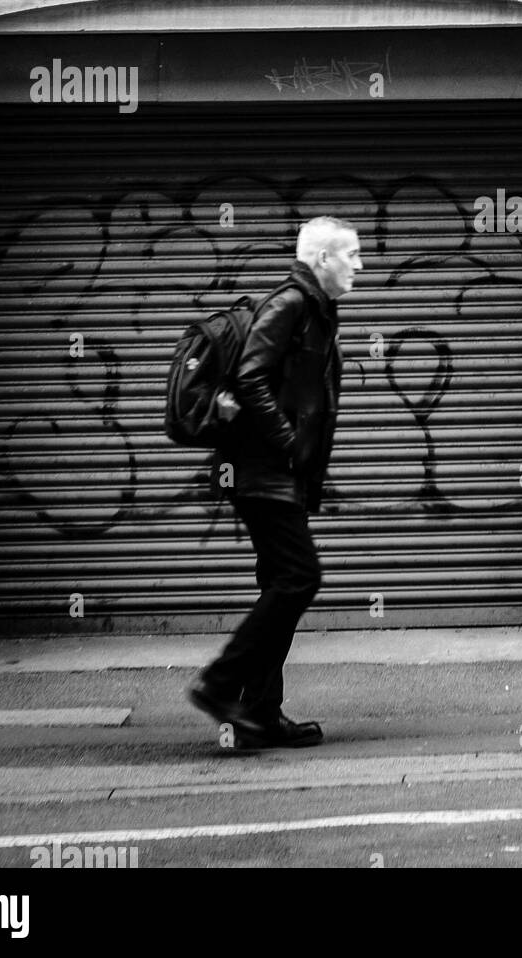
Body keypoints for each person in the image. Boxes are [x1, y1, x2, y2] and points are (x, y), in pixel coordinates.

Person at [187, 216, 363, 748]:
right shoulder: (290, 304)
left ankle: (260, 712)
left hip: (282, 475)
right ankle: (218, 683)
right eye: (351, 254)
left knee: (280, 583)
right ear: (322, 260)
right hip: (264, 474)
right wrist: (290, 445)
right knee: (299, 578)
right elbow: (248, 376)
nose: (360, 264)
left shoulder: (315, 309)